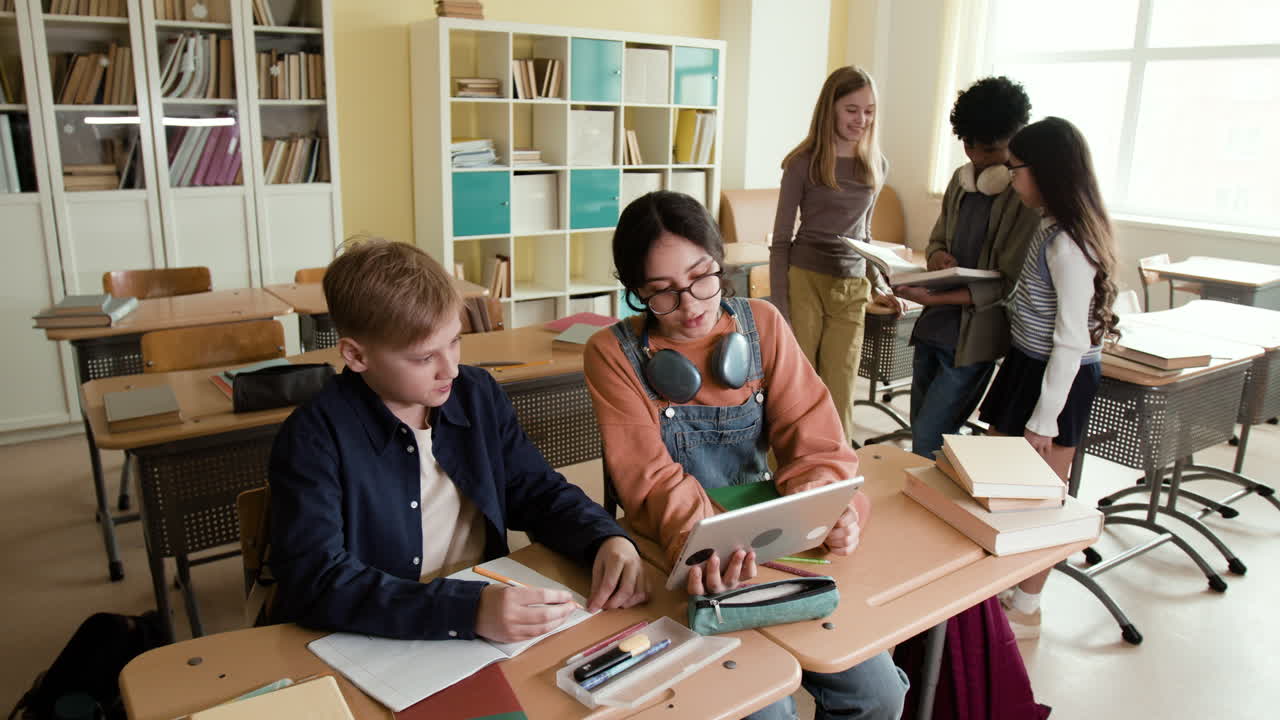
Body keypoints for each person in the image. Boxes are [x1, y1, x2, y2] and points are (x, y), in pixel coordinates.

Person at [585, 191, 909, 720]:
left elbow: (818, 442)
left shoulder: (763, 323)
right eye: (662, 293)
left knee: (878, 695)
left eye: (702, 277)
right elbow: (652, 482)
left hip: (771, 545)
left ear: (721, 260)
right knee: (768, 709)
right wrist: (707, 549)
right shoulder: (610, 354)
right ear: (635, 292)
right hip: (680, 558)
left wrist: (826, 508)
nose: (690, 305)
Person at [268, 239, 648, 643]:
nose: (450, 368)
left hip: (479, 615)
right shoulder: (313, 437)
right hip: (379, 634)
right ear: (356, 356)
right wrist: (465, 610)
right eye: (423, 357)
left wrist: (604, 537)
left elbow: (535, 490)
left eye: (454, 341)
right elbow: (316, 580)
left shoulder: (476, 393)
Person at [978, 117, 1120, 639]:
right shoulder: (1053, 227)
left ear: (1045, 172)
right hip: (1028, 366)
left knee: (1041, 500)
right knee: (997, 489)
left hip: (1054, 380)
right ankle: (1003, 593)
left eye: (1015, 169)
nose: (1011, 179)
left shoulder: (1069, 244)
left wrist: (1044, 420)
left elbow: (1071, 341)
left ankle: (1027, 607)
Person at [893, 76, 1041, 461]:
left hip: (973, 338)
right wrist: (939, 258)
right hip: (934, 328)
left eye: (990, 149)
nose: (977, 157)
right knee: (921, 433)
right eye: (969, 145)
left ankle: (929, 515)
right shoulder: (962, 182)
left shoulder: (1024, 197)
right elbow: (938, 239)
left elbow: (1007, 284)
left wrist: (935, 294)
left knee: (929, 439)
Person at [771, 66, 905, 445]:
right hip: (805, 280)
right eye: (851, 109)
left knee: (841, 387)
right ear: (829, 108)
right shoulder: (803, 163)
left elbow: (864, 234)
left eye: (869, 110)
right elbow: (781, 240)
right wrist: (782, 305)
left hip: (852, 286)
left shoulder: (876, 164)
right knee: (800, 385)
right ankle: (789, 468)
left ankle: (839, 472)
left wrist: (879, 283)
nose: (861, 120)